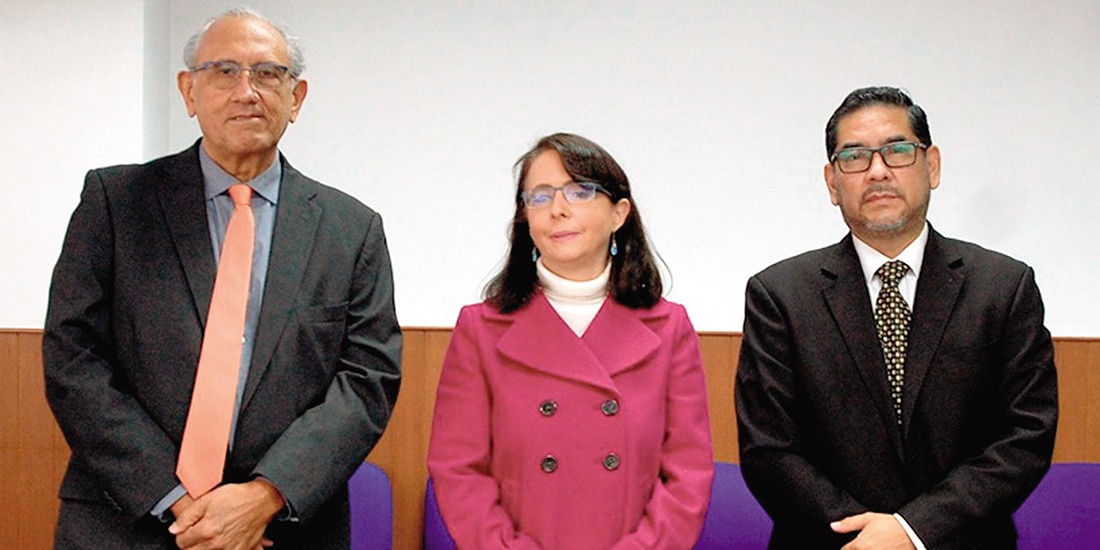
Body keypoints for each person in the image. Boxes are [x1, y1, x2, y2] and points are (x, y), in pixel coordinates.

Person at [43, 8, 401, 549]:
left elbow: (367, 379)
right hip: (124, 521)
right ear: (189, 92)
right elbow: (74, 358)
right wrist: (178, 499)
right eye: (224, 71)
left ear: (296, 97)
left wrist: (264, 495)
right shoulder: (116, 204)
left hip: (284, 528)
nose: (247, 91)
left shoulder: (351, 229)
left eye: (267, 73)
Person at [735, 86, 1058, 549]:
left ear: (932, 166)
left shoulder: (1003, 287)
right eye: (855, 157)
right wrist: (865, 536)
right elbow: (768, 449)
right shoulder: (780, 295)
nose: (878, 171)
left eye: (898, 151)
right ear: (831, 182)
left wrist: (913, 530)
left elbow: (1025, 435)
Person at [427, 133, 714, 549]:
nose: (558, 210)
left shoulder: (668, 327)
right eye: (539, 197)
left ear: (620, 213)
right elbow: (458, 471)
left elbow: (688, 473)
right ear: (524, 218)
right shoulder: (481, 328)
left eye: (579, 192)